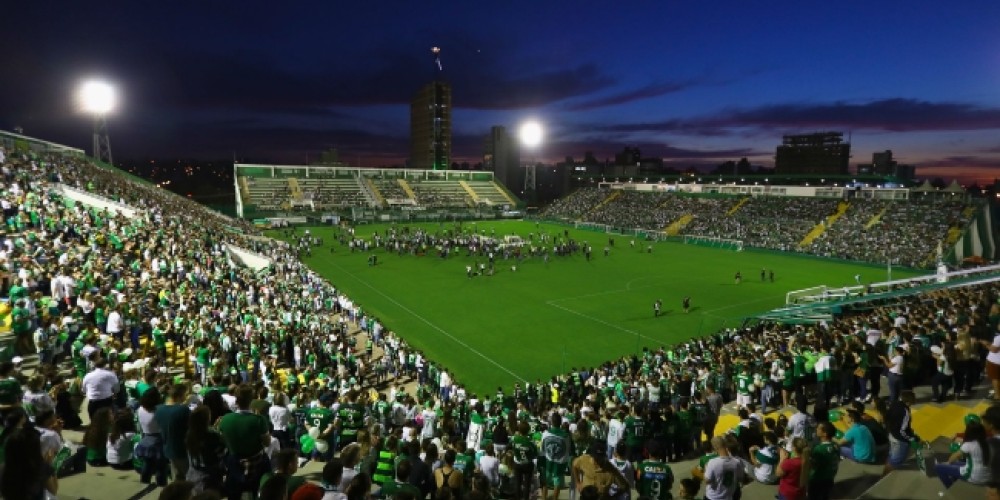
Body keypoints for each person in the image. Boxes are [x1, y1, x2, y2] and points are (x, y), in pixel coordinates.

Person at [218, 384, 271, 500]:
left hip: (234, 462)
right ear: (251, 400)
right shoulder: (259, 419)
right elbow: (267, 443)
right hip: (257, 464)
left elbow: (222, 440)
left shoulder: (225, 419)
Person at [934, 420, 994, 488]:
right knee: (955, 463)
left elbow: (955, 456)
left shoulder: (969, 445)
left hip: (974, 476)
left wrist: (948, 462)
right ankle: (955, 482)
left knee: (938, 467)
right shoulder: (990, 442)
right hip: (988, 476)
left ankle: (950, 488)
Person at [156, 383, 192, 481]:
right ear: (181, 395)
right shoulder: (183, 410)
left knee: (176, 476)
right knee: (187, 478)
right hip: (182, 449)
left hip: (168, 448)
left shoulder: (159, 409)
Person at [884, 390, 918, 473]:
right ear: (908, 402)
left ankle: (886, 471)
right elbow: (903, 431)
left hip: (891, 435)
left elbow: (886, 417)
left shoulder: (894, 404)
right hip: (899, 440)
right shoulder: (905, 412)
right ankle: (885, 476)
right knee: (896, 460)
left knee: (891, 456)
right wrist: (911, 438)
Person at [541, 413, 572, 500]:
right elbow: (567, 450)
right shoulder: (566, 436)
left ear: (551, 422)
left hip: (548, 461)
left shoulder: (545, 433)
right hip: (560, 462)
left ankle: (543, 497)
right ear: (560, 422)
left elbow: (542, 448)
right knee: (557, 482)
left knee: (545, 481)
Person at [809, 422, 840, 500]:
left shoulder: (819, 449)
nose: (816, 429)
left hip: (818, 480)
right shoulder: (835, 446)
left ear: (825, 434)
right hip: (830, 478)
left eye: (819, 428)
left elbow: (813, 465)